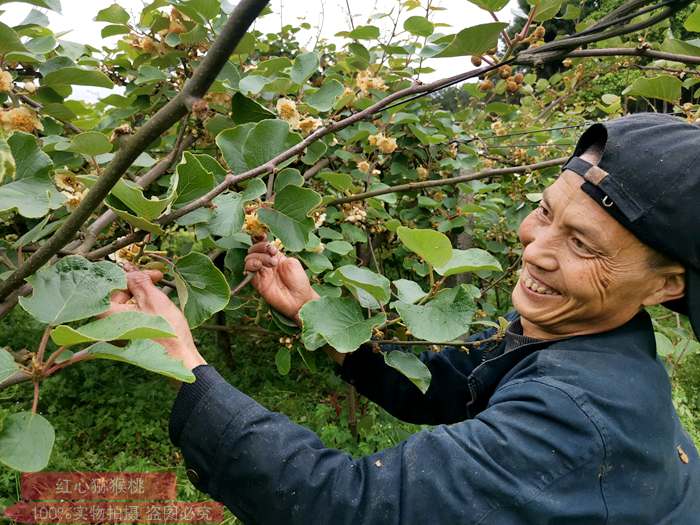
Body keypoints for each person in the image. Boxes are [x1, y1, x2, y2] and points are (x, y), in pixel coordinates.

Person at [108, 113, 700, 524]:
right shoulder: (591, 333)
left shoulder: (577, 422)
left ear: (668, 284)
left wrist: (180, 359)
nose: (535, 248)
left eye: (583, 244)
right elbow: (451, 384)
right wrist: (318, 317)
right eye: (544, 211)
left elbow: (349, 509)